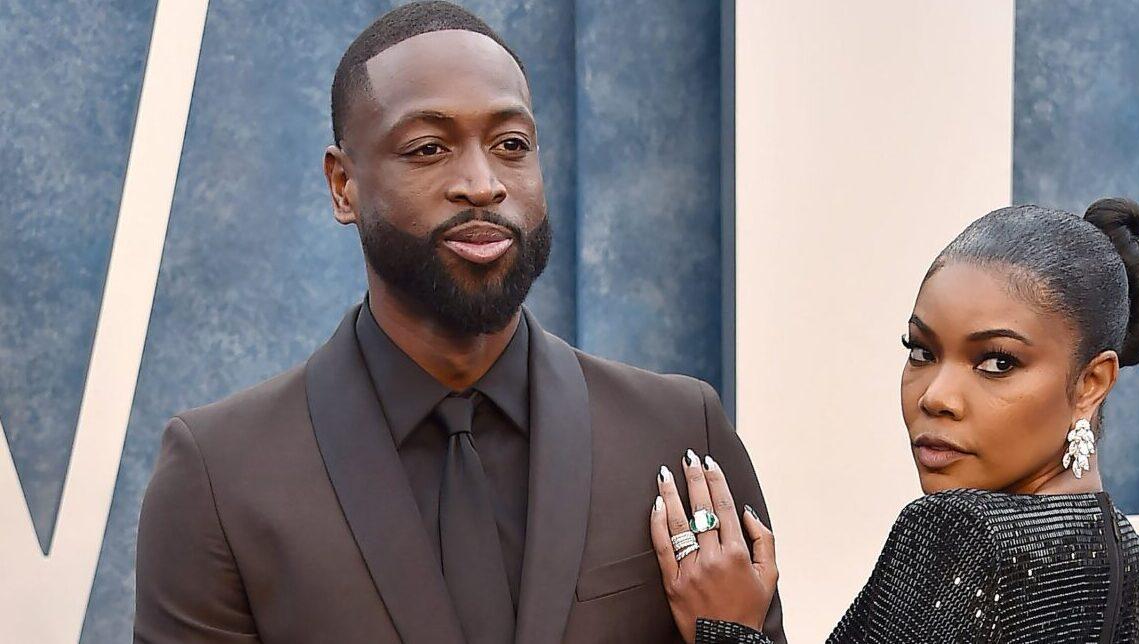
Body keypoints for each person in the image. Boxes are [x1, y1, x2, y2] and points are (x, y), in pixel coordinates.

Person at [134, 3, 784, 643]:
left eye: (510, 145)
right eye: (428, 148)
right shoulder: (221, 474)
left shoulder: (674, 434)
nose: (481, 183)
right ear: (342, 185)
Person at [649, 199, 1139, 643]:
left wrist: (727, 624)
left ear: (1091, 383)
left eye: (997, 362)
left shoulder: (963, 534)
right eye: (921, 352)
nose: (937, 396)